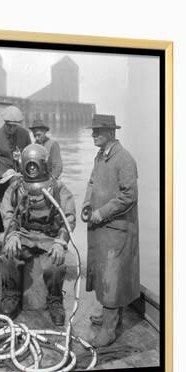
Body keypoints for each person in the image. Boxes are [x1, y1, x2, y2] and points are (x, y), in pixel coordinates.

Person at [0, 144, 76, 325]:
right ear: (23, 164)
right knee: (9, 255)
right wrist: (12, 235)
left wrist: (60, 242)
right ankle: (12, 295)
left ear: (44, 164)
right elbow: (7, 212)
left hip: (49, 237)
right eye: (29, 165)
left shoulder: (58, 189)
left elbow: (69, 218)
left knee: (55, 264)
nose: (32, 169)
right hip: (23, 234)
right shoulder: (17, 188)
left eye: (35, 165)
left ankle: (55, 299)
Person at [82, 114, 140, 347]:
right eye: (93, 130)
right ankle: (109, 316)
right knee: (102, 273)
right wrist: (87, 203)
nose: (93, 134)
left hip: (116, 229)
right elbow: (92, 182)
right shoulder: (100, 156)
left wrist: (102, 212)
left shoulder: (124, 159)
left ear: (111, 133)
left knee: (113, 277)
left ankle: (109, 328)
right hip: (100, 227)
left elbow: (129, 196)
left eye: (98, 131)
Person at [0, 105, 31, 200]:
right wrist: (2, 174)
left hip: (22, 177)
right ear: (4, 122)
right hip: (3, 181)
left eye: (15, 126)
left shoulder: (25, 134)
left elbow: (30, 158)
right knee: (15, 185)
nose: (12, 129)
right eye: (9, 126)